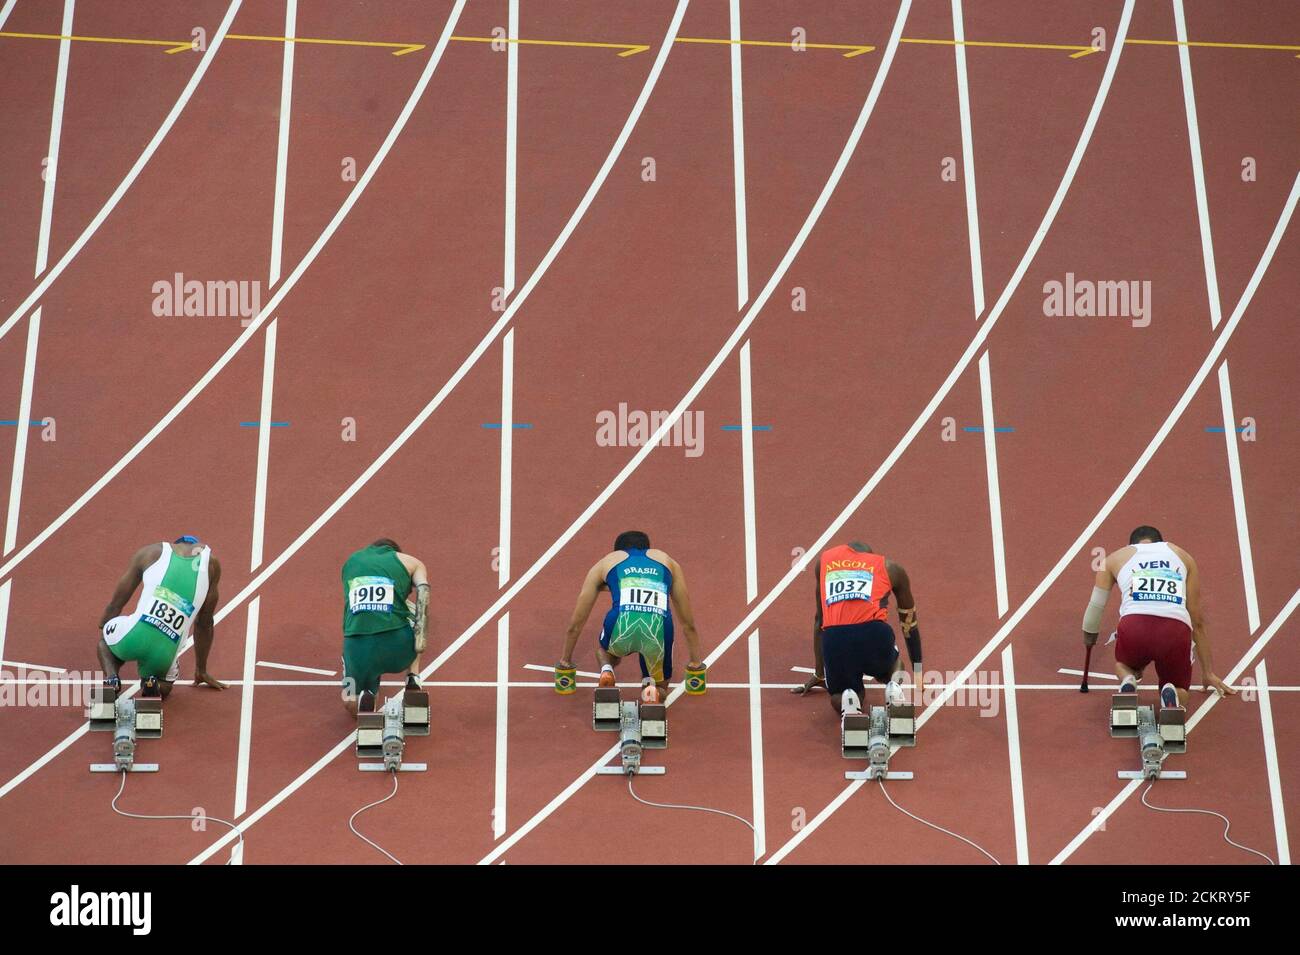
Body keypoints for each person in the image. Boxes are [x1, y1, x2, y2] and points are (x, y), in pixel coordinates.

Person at [1082, 525, 1235, 708]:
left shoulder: (1114, 558)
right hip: (1174, 630)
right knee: (1180, 688)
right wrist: (1208, 672)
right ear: (1161, 543)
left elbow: (1094, 610)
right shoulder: (1184, 557)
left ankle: (1128, 679)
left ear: (1131, 546)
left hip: (1134, 627)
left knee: (1124, 665)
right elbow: (1197, 620)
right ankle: (1171, 694)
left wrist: (1089, 638)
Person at [557, 530, 704, 703]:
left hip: (620, 626)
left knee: (604, 652)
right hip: (658, 630)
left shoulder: (607, 562)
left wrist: (565, 662)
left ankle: (607, 669)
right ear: (647, 548)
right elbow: (688, 624)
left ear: (617, 551)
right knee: (660, 685)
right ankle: (652, 692)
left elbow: (576, 624)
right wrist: (696, 665)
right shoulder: (667, 561)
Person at [792, 540, 921, 716]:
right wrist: (919, 671)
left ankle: (850, 700)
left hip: (836, 639)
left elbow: (819, 621)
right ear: (870, 556)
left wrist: (820, 673)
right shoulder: (891, 568)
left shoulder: (823, 563)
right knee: (894, 664)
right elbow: (909, 625)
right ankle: (894, 687)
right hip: (874, 634)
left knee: (840, 694)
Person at [96, 535, 224, 698]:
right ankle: (151, 682)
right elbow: (205, 624)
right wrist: (201, 669)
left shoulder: (150, 552)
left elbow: (115, 604)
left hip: (131, 638)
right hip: (165, 652)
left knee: (106, 644)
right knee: (165, 684)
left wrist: (103, 630)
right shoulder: (212, 565)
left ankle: (112, 678)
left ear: (175, 545)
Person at [340, 538, 430, 715]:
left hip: (357, 648)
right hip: (399, 646)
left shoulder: (350, 562)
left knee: (349, 697)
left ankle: (363, 699)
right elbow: (424, 594)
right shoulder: (411, 562)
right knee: (413, 613)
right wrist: (420, 641)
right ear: (395, 552)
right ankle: (413, 677)